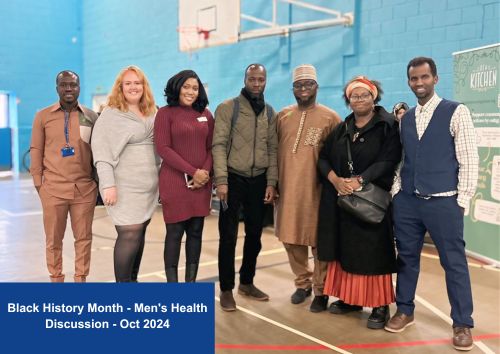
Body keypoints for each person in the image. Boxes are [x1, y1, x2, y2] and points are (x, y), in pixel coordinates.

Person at [386, 57, 479, 352]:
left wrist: (461, 199)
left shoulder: (456, 112)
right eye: (414, 79)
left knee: (454, 263)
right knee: (406, 259)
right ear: (409, 82)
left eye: (424, 77)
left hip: (444, 202)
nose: (419, 83)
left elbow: (469, 159)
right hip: (409, 203)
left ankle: (462, 322)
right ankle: (405, 310)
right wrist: (397, 191)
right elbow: (403, 160)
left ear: (436, 79)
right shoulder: (407, 119)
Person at [317, 76, 402, 329]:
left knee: (374, 253)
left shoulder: (387, 125)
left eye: (365, 94)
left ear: (374, 96)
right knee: (346, 252)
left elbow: (389, 160)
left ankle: (379, 306)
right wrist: (335, 180)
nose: (359, 99)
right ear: (348, 100)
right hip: (344, 201)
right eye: (354, 95)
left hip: (372, 202)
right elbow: (323, 158)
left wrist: (359, 180)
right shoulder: (342, 129)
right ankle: (351, 299)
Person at [212, 63, 278, 311]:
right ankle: (227, 289)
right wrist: (221, 180)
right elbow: (218, 145)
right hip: (233, 178)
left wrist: (271, 182)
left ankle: (247, 282)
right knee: (227, 236)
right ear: (245, 79)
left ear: (265, 81)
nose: (257, 84)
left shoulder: (270, 113)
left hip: (259, 180)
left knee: (255, 236)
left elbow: (273, 149)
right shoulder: (229, 108)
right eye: (252, 79)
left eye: (261, 79)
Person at [275, 64, 341, 312]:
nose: (303, 89)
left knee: (318, 241)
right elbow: (273, 152)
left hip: (317, 192)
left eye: (308, 84)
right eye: (298, 85)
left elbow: (336, 157)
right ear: (293, 88)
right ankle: (302, 283)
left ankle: (320, 289)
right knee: (290, 239)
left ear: (316, 87)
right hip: (287, 190)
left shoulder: (330, 117)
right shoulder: (282, 116)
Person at [91, 65, 159, 282]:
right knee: (129, 234)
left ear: (144, 86)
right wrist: (108, 185)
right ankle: (122, 289)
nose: (133, 87)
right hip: (123, 188)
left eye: (137, 83)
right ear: (120, 87)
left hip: (149, 187)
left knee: (139, 234)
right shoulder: (111, 114)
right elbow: (102, 153)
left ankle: (132, 281)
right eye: (128, 83)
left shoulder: (152, 111)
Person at [30, 70, 98, 282]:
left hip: (84, 189)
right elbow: (36, 150)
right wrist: (39, 186)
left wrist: (96, 183)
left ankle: (80, 279)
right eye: (64, 85)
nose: (69, 89)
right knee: (53, 240)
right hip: (53, 189)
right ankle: (56, 279)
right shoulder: (43, 116)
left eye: (73, 85)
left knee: (84, 238)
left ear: (79, 87)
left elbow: (98, 151)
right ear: (57, 88)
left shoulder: (90, 116)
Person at [154, 70, 214, 283]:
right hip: (175, 182)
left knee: (196, 232)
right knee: (174, 234)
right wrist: (193, 172)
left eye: (195, 88)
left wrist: (204, 173)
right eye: (186, 87)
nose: (191, 91)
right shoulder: (165, 113)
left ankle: (190, 286)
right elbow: (163, 148)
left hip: (201, 184)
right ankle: (173, 289)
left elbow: (211, 147)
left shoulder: (206, 114)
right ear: (177, 87)